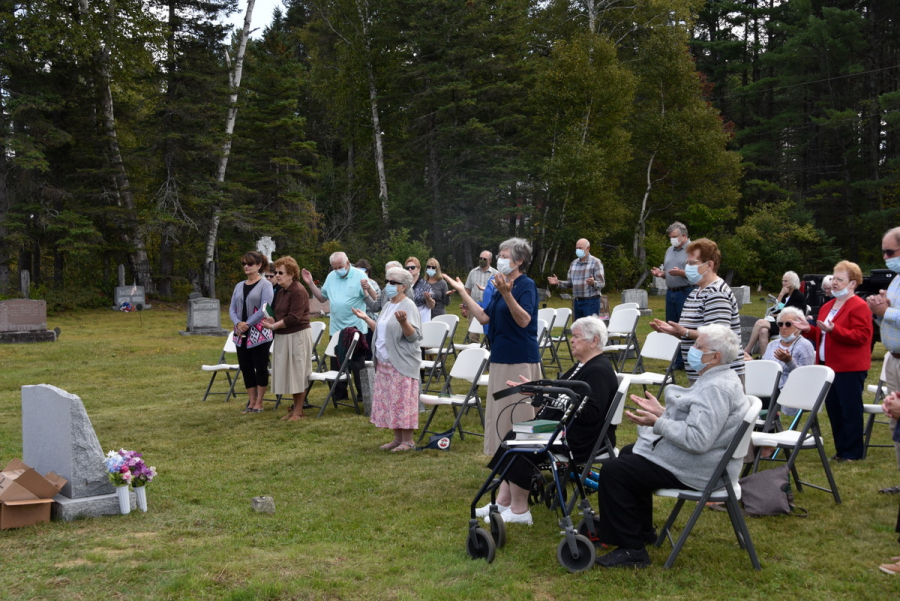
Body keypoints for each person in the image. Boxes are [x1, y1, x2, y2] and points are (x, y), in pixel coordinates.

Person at [593, 324, 749, 568]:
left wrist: (659, 423)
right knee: (628, 453)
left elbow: (698, 439)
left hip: (703, 468)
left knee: (615, 471)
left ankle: (632, 550)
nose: (692, 349)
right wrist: (664, 412)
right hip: (705, 460)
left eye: (699, 346)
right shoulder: (718, 378)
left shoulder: (716, 387)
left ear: (715, 357)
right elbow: (700, 421)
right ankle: (642, 532)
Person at [474, 316, 618, 525]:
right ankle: (504, 502)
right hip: (571, 430)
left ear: (594, 341)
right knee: (515, 435)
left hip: (584, 438)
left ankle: (520, 510)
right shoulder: (586, 366)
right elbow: (564, 393)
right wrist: (537, 389)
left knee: (520, 441)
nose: (572, 341)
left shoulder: (598, 370)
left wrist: (554, 398)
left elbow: (590, 413)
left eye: (576, 336)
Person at [444, 237, 542, 455]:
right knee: (500, 411)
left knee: (518, 411)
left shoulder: (526, 285)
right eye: (500, 256)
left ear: (520, 260)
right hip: (499, 355)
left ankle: (522, 458)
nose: (501, 260)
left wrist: (508, 294)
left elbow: (524, 320)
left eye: (505, 257)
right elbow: (484, 317)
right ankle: (503, 457)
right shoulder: (500, 286)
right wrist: (462, 291)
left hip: (519, 358)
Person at [795, 260, 872, 461]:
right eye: (834, 278)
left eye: (840, 279)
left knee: (850, 410)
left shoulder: (859, 306)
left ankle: (853, 453)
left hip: (849, 367)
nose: (835, 282)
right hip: (827, 366)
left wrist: (834, 330)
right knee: (835, 411)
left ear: (853, 283)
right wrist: (808, 330)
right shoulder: (828, 305)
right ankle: (841, 451)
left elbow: (862, 336)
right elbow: (823, 334)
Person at [649, 238, 744, 384]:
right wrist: (675, 332)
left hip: (719, 378)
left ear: (709, 265)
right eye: (687, 263)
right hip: (701, 373)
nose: (687, 267)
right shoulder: (695, 293)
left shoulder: (716, 293)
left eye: (692, 263)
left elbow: (718, 338)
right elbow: (693, 335)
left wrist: (684, 332)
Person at [351, 267, 422, 452]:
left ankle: (408, 441)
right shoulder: (388, 304)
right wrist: (366, 318)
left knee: (403, 402)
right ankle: (397, 439)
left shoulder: (408, 306)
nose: (387, 286)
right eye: (387, 281)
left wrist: (404, 322)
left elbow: (413, 337)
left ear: (403, 287)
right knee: (392, 401)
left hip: (402, 362)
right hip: (384, 362)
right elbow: (382, 332)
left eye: (393, 283)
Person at [303, 252, 368, 399]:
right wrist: (310, 283)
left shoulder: (359, 275)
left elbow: (368, 297)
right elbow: (321, 298)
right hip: (336, 327)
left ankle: (363, 395)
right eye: (334, 267)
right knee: (337, 362)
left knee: (357, 363)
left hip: (355, 326)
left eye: (340, 267)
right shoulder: (331, 276)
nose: (338, 270)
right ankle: (339, 395)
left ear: (348, 263)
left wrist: (366, 288)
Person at [261, 256, 313, 420]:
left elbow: (294, 318)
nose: (277, 275)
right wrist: (272, 320)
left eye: (280, 272)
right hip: (283, 335)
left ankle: (299, 410)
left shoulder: (298, 290)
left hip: (297, 335)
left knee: (298, 372)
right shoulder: (282, 291)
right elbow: (280, 314)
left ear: (291, 274)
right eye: (276, 272)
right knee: (290, 373)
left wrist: (274, 326)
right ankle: (294, 409)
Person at [870, 228, 900, 495]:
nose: (885, 257)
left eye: (890, 252)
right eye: (884, 252)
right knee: (895, 419)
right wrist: (879, 311)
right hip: (893, 358)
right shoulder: (895, 280)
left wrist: (886, 311)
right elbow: (888, 320)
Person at [228, 251, 274, 414]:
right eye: (244, 264)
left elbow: (265, 307)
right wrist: (237, 323)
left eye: (250, 264)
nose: (246, 267)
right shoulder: (239, 286)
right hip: (240, 334)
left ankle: (260, 402)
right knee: (246, 367)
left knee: (260, 367)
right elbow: (232, 308)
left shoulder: (265, 284)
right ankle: (251, 401)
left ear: (259, 265)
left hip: (260, 334)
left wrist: (248, 323)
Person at [743, 271, 806, 358]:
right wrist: (781, 294)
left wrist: (777, 315)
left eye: (786, 281)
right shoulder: (785, 295)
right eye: (783, 281)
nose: (783, 283)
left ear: (792, 282)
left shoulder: (799, 296)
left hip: (787, 324)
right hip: (777, 321)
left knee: (760, 323)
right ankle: (766, 358)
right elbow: (775, 309)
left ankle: (747, 350)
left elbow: (795, 313)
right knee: (763, 331)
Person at [548, 238, 605, 320]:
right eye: (576, 248)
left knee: (589, 329)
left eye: (580, 248)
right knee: (578, 330)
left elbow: (602, 283)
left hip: (591, 302)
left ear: (588, 248)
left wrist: (593, 283)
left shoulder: (596, 262)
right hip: (577, 302)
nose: (578, 250)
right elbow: (570, 283)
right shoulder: (574, 263)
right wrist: (558, 282)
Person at [464, 251, 498, 344]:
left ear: (490, 261)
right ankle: (475, 354)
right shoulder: (473, 272)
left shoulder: (496, 274)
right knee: (473, 336)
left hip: (489, 308)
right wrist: (465, 306)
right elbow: (467, 289)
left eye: (484, 259)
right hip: (474, 307)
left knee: (490, 334)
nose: (481, 260)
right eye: (480, 258)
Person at [405, 257, 434, 324]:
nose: (410, 269)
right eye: (407, 268)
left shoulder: (426, 285)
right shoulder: (403, 285)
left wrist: (428, 299)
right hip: (408, 320)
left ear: (418, 269)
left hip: (422, 320)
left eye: (412, 267)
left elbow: (432, 306)